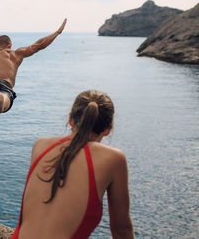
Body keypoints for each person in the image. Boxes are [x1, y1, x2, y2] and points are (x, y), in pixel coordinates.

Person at [11, 90, 134, 239]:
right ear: (108, 130)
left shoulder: (40, 145)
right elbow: (122, 230)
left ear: (70, 119)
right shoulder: (114, 158)